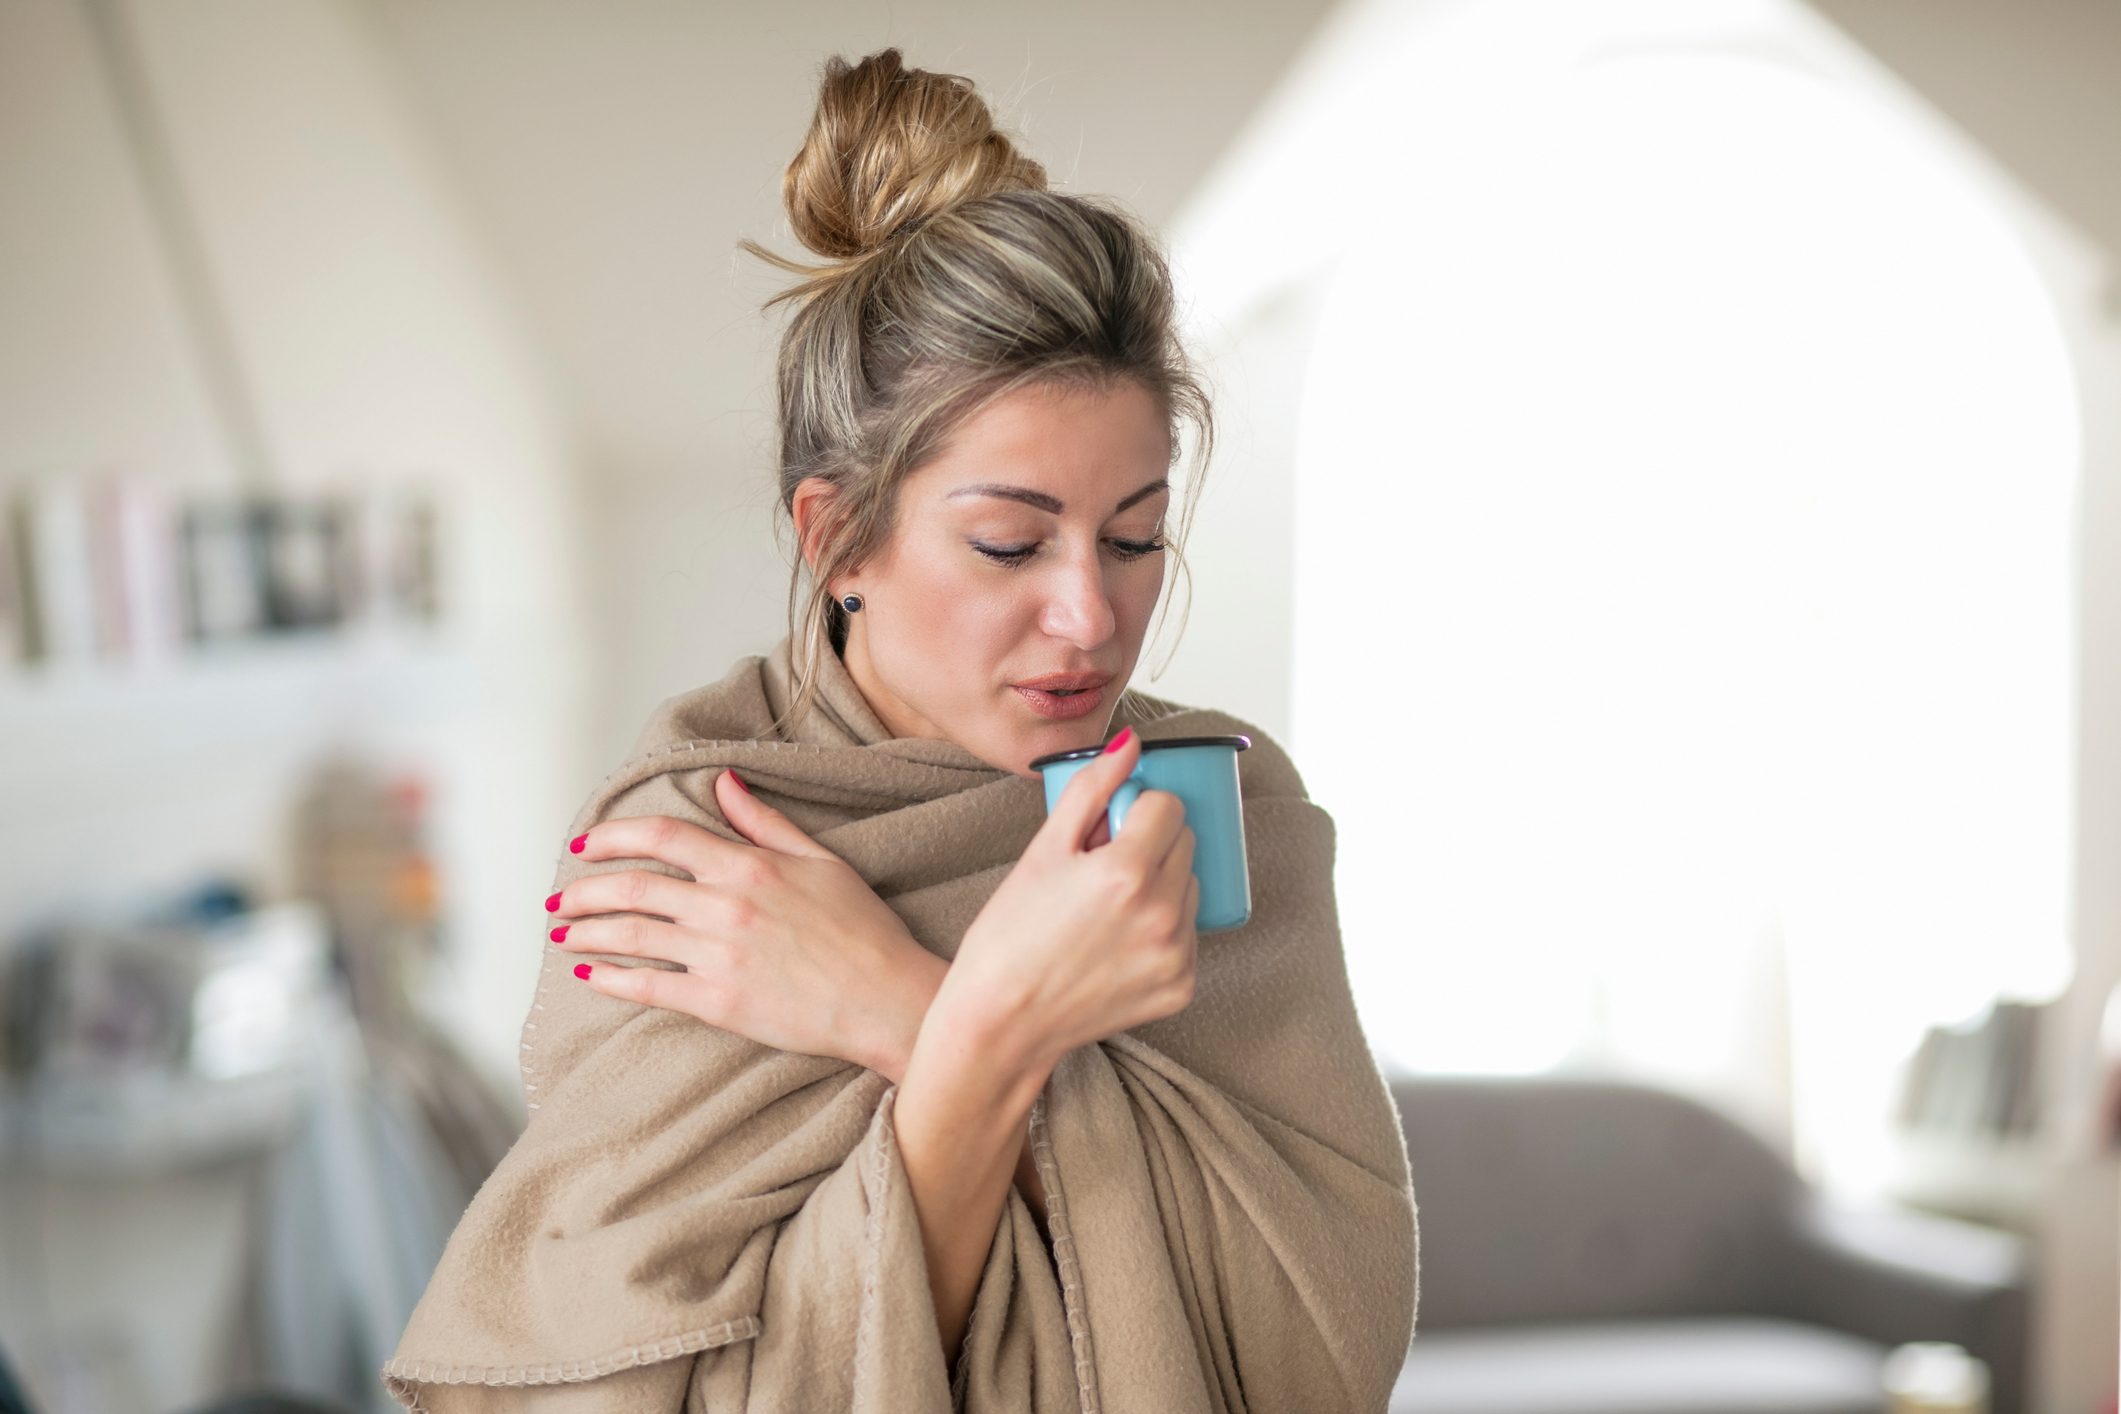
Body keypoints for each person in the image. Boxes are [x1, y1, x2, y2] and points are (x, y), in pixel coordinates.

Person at [383, 47, 1417, 1413]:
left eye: (1132, 537)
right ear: (838, 538)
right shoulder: (692, 855)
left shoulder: (1213, 812)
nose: (1087, 618)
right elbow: (634, 1387)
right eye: (1007, 543)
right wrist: (992, 1042)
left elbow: (1311, 1342)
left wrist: (911, 1009)